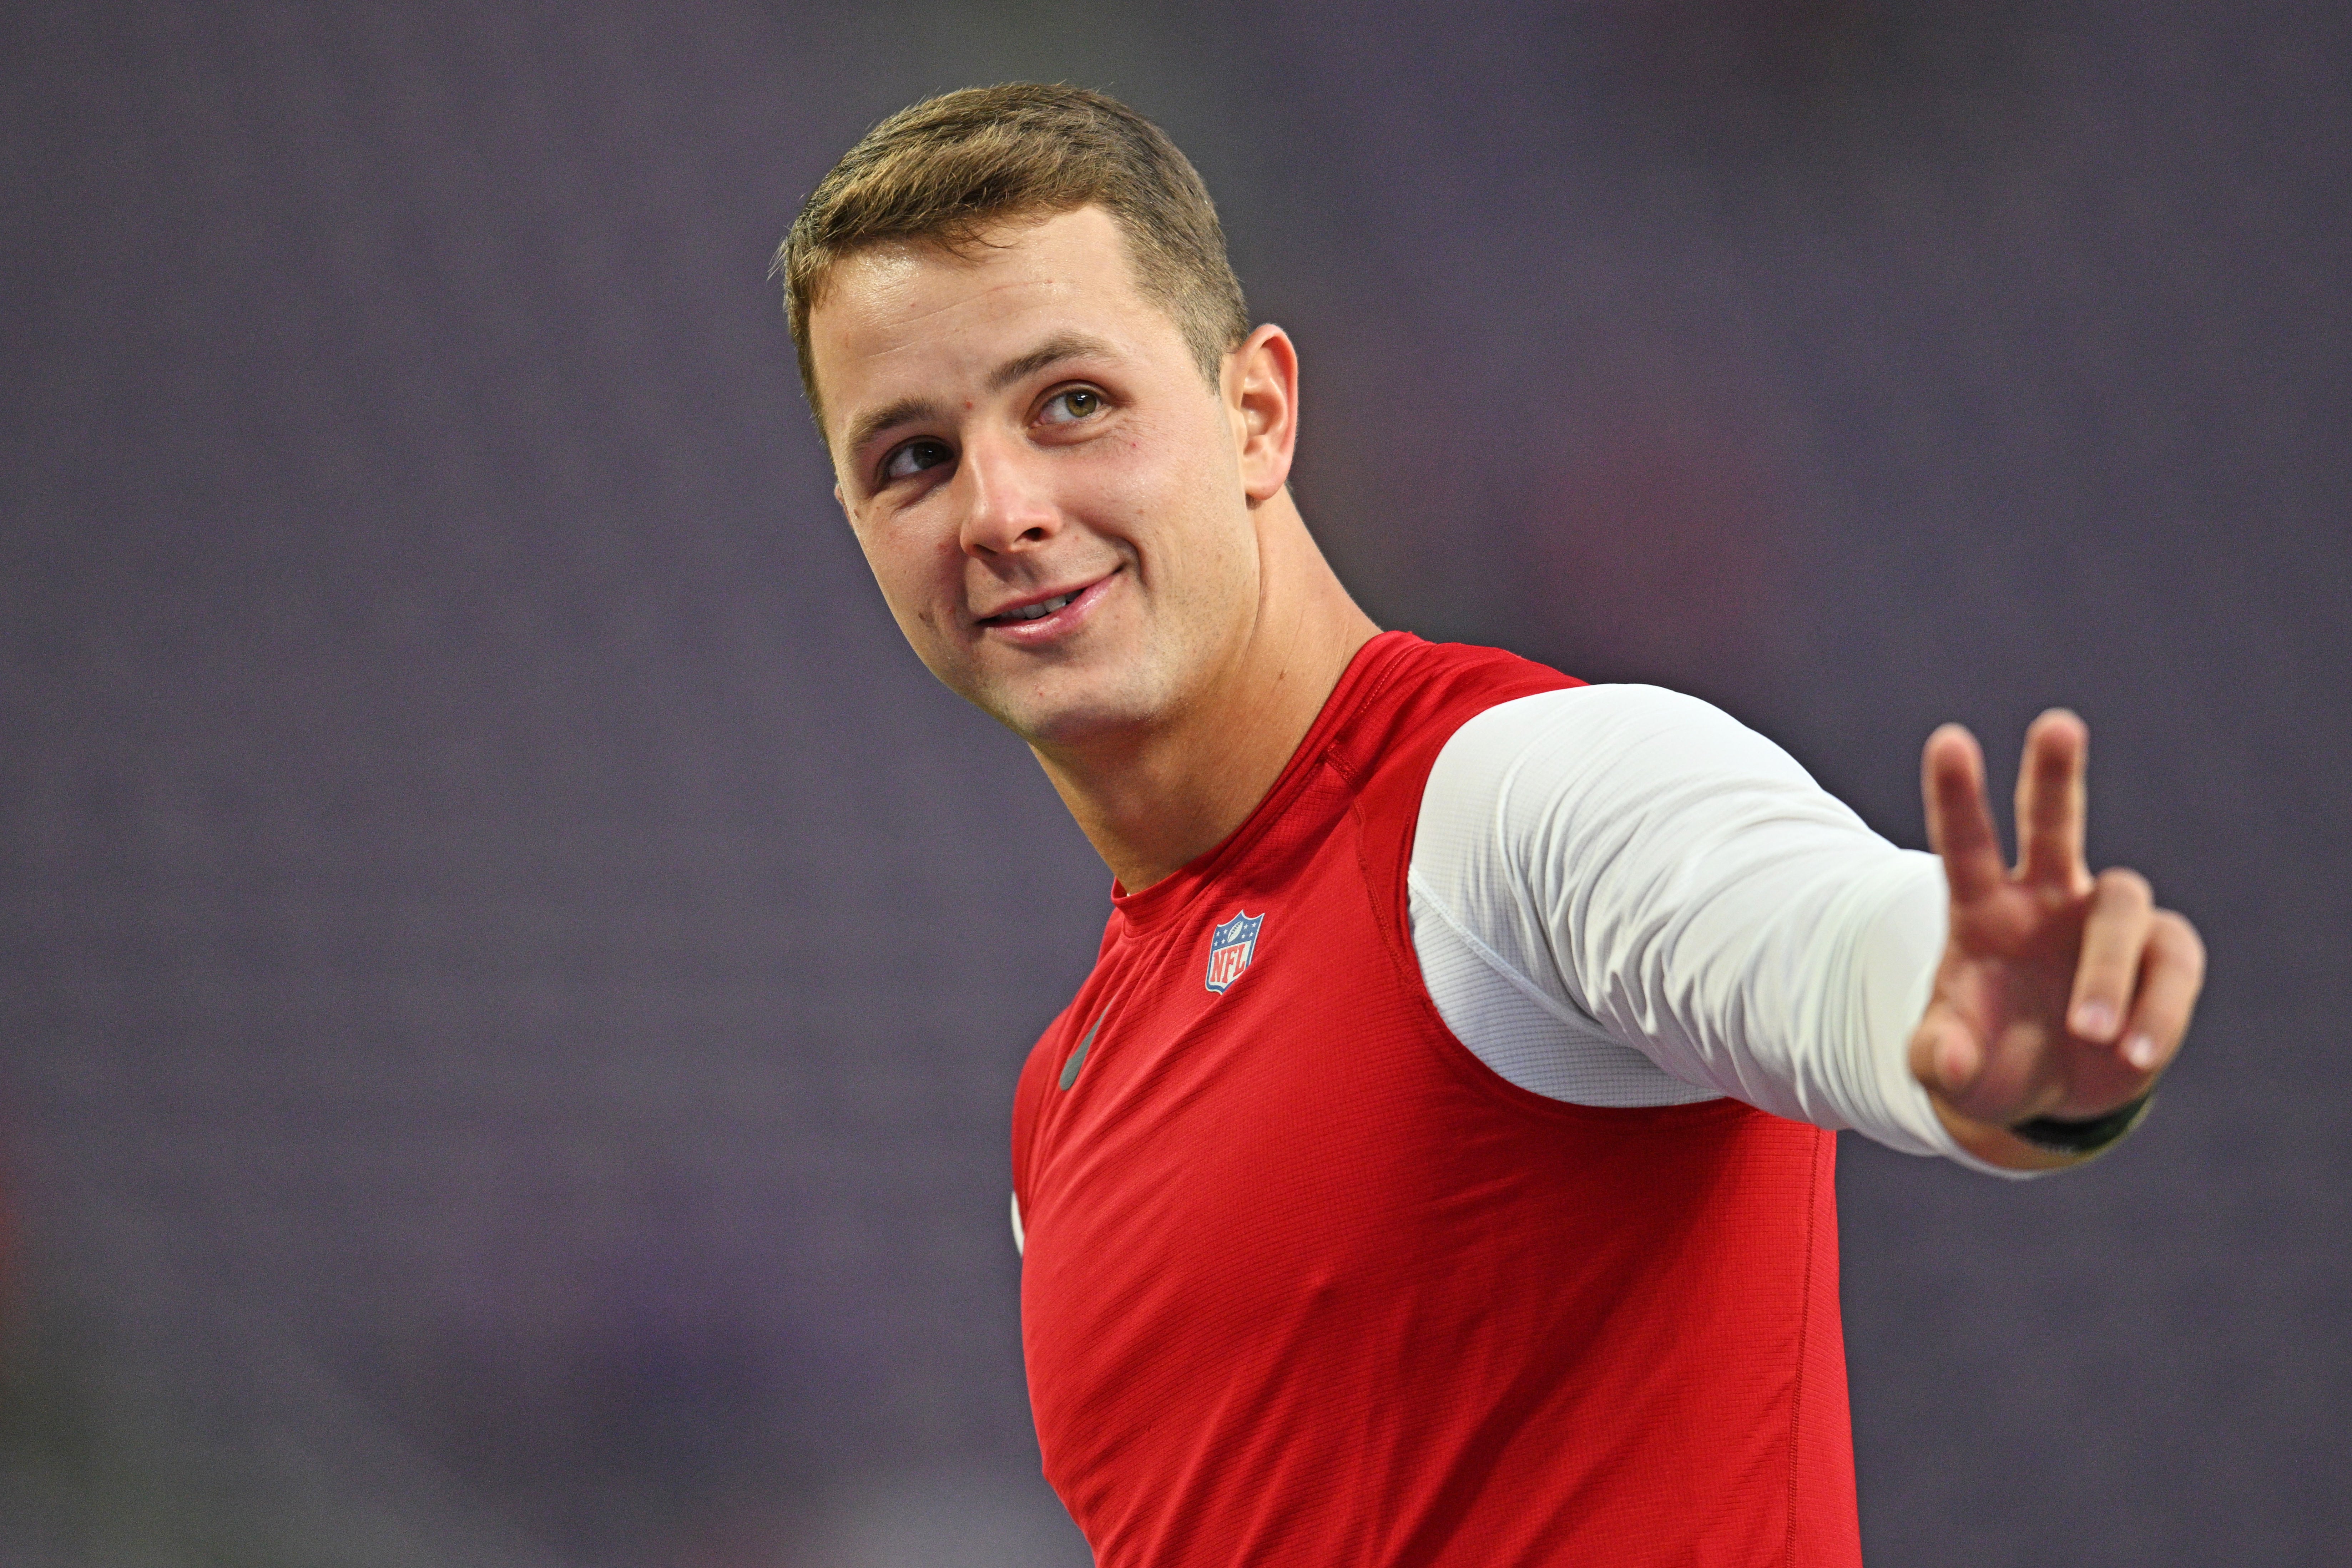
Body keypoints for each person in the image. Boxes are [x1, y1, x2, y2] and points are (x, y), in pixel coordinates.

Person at [774, 84, 2204, 1566]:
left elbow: (1817, 937)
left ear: (1257, 414)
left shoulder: (1516, 798)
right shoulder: (1058, 1106)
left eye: (1072, 402)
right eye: (912, 458)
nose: (998, 509)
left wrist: (1966, 1021)